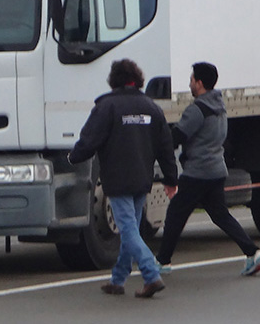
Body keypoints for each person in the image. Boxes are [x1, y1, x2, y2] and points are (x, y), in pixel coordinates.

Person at [68, 58, 179, 298]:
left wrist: (73, 158)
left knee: (128, 230)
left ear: (114, 80)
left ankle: (151, 274)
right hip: (142, 179)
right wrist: (171, 177)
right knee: (132, 229)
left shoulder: (107, 107)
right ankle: (118, 280)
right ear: (137, 79)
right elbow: (165, 146)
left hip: (117, 180)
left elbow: (90, 139)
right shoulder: (152, 108)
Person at [155, 62, 260, 277]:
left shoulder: (197, 109)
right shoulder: (220, 107)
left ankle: (163, 261)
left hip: (197, 172)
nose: (189, 83)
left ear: (199, 83)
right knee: (220, 215)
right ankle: (253, 252)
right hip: (217, 170)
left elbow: (177, 137)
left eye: (191, 80)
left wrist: (159, 141)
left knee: (176, 214)